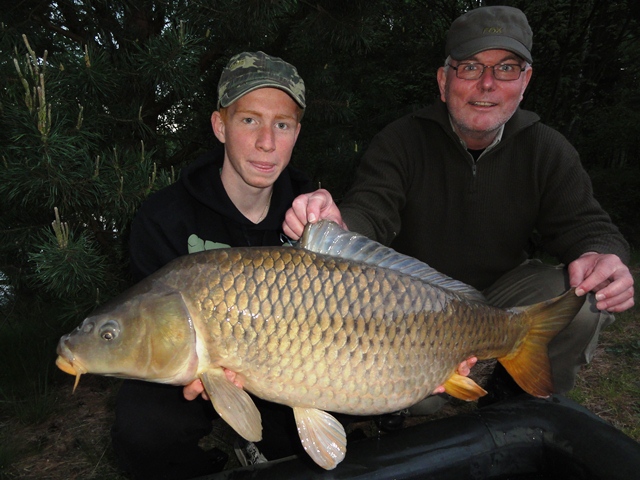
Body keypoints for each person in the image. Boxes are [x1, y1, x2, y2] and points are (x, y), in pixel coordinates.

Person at [283, 5, 635, 411]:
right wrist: (339, 222)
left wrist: (601, 254)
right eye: (470, 67)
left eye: (505, 68)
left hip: (505, 295)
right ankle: (406, 407)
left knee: (583, 300)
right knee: (422, 403)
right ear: (443, 79)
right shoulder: (402, 141)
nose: (487, 84)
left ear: (525, 81)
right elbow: (370, 209)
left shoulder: (546, 149)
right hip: (418, 307)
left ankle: (515, 402)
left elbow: (587, 224)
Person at [111, 51, 312, 480]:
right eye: (248, 120)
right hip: (196, 368)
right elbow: (152, 330)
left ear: (296, 132)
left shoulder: (311, 213)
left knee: (314, 443)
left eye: (282, 125)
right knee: (142, 427)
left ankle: (260, 444)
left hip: (289, 363)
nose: (266, 142)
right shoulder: (163, 217)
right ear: (220, 126)